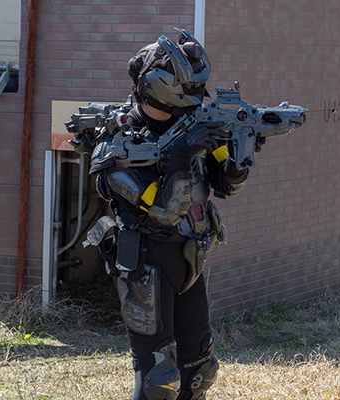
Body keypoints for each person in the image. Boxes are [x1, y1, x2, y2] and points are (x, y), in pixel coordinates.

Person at [87, 28, 250, 400]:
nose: (197, 99)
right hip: (147, 264)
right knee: (159, 380)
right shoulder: (118, 143)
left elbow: (226, 186)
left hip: (190, 260)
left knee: (199, 372)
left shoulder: (195, 126)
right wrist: (179, 158)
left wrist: (238, 155)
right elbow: (162, 212)